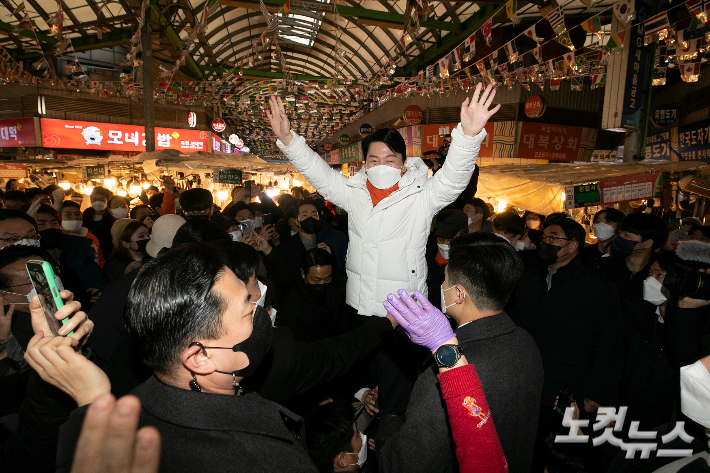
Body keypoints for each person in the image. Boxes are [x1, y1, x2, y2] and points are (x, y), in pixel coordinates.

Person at [55, 243, 321, 472]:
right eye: (247, 306)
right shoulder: (261, 461)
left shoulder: (139, 401)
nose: (258, 310)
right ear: (200, 357)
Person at [267, 86, 498, 318]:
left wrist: (468, 136)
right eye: (374, 160)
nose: (381, 166)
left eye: (390, 159)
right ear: (365, 164)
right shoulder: (353, 192)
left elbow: (453, 181)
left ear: (404, 164)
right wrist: (289, 140)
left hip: (405, 310)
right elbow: (318, 173)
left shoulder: (422, 195)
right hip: (359, 305)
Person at [376, 233, 543, 473]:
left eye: (445, 280)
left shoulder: (448, 375)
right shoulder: (526, 342)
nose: (441, 287)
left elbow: (402, 464)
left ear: (459, 294)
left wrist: (390, 423)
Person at [506, 217, 625, 472]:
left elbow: (611, 344)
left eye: (553, 237)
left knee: (564, 457)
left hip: (571, 389)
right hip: (530, 385)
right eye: (544, 238)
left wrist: (598, 391)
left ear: (572, 246)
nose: (546, 243)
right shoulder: (528, 281)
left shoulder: (597, 287)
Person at [588, 213, 667, 314]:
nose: (619, 239)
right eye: (620, 233)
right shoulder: (599, 267)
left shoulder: (659, 277)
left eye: (626, 235)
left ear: (647, 243)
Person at [275, 248, 349, 344]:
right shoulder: (290, 303)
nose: (322, 283)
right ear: (303, 273)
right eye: (316, 280)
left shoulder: (338, 285)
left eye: (327, 278)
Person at [277, 200, 347, 275]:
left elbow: (335, 275)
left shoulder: (326, 247)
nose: (310, 218)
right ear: (296, 221)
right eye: (305, 215)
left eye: (314, 215)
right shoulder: (285, 249)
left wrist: (329, 258)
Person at [425, 209, 468, 309]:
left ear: (463, 235)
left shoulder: (469, 262)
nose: (445, 244)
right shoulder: (426, 256)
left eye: (451, 240)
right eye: (441, 239)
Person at [61, 201, 104, 268]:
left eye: (77, 214)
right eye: (68, 214)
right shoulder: (58, 238)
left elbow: (100, 260)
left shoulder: (91, 237)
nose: (74, 217)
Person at [82, 187, 116, 259]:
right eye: (95, 199)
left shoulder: (112, 215)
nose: (98, 202)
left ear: (107, 201)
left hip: (107, 251)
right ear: (91, 200)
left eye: (101, 200)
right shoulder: (87, 213)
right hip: (89, 249)